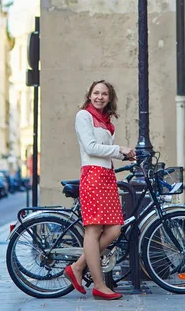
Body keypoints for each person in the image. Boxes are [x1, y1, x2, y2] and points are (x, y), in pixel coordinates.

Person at [63, 79, 135, 301]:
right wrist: (119, 149)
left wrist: (124, 155)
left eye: (104, 94)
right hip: (93, 176)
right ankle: (99, 285)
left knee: (114, 230)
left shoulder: (107, 121)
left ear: (109, 98)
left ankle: (77, 267)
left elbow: (104, 151)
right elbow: (91, 147)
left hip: (107, 176)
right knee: (93, 231)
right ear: (90, 95)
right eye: (96, 93)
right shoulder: (84, 116)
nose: (100, 97)